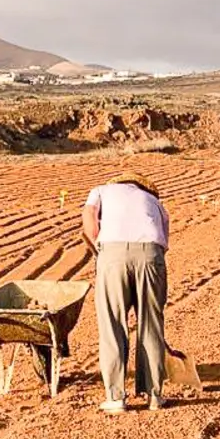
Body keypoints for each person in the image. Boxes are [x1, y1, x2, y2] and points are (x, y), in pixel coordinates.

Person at [81, 172, 170, 413]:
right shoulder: (154, 201)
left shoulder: (101, 190)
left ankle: (116, 397)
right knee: (151, 324)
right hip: (152, 255)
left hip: (112, 255)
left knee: (113, 324)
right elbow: (164, 240)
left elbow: (89, 215)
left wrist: (99, 245)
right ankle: (154, 395)